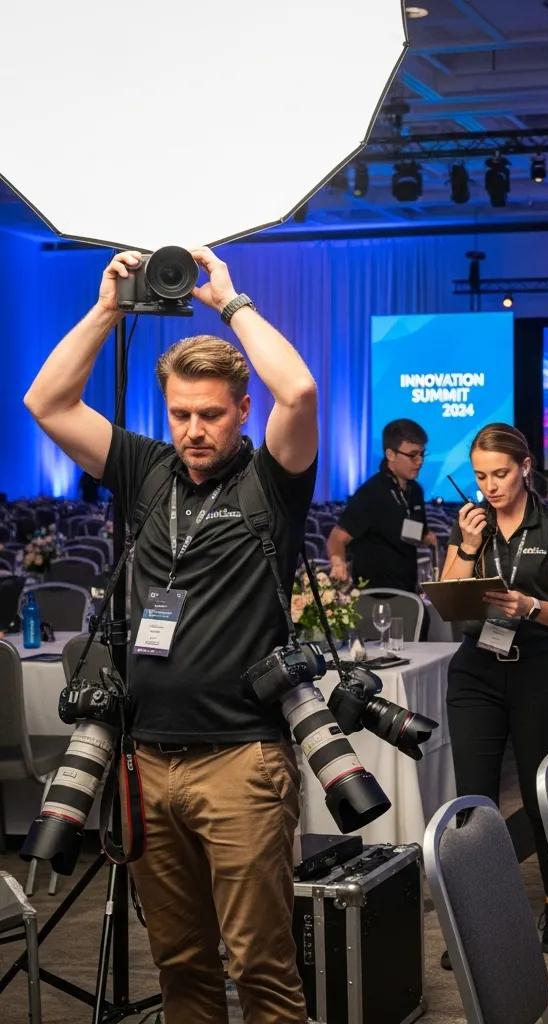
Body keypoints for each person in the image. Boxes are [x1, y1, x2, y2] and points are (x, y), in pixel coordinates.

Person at [24, 248, 318, 1024]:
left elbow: (301, 388)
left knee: (261, 967)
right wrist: (108, 309)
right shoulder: (148, 471)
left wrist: (231, 302)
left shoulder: (273, 481)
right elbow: (47, 402)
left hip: (243, 764)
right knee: (181, 965)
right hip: (145, 765)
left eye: (211, 414)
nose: (193, 430)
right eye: (181, 414)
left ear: (241, 411)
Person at [440, 423, 548, 957]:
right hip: (476, 670)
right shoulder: (472, 526)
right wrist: (468, 544)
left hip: (536, 670)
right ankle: (476, 914)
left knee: (539, 790)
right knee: (472, 798)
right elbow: (446, 602)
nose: (490, 486)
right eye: (481, 476)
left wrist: (530, 606)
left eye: (500, 473)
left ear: (524, 467)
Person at [326, 418, 438, 593]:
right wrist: (338, 563)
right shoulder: (370, 493)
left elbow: (411, 532)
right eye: (412, 455)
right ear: (390, 455)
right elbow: (337, 537)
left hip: (408, 591)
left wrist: (431, 540)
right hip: (373, 596)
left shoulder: (415, 491)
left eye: (422, 454)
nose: (420, 461)